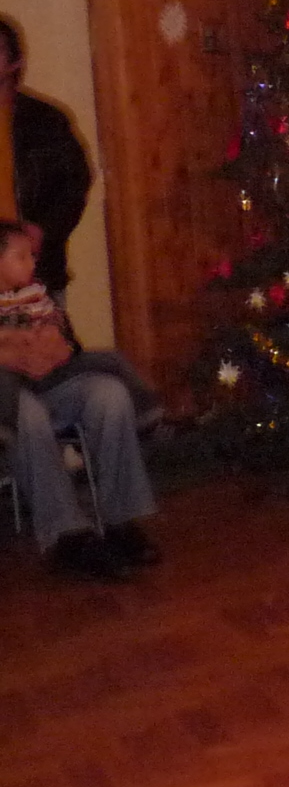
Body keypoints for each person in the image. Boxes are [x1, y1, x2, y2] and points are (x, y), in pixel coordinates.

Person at [0, 220, 157, 579]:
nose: (32, 263)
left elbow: (64, 337)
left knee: (109, 393)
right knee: (28, 414)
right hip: (8, 394)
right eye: (21, 256)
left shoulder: (35, 293)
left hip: (49, 380)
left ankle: (121, 519)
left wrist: (56, 344)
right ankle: (67, 535)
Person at [0, 18, 92, 298]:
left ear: (15, 62)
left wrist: (43, 230)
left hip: (35, 272)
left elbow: (74, 185)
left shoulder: (46, 121)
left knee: (43, 329)